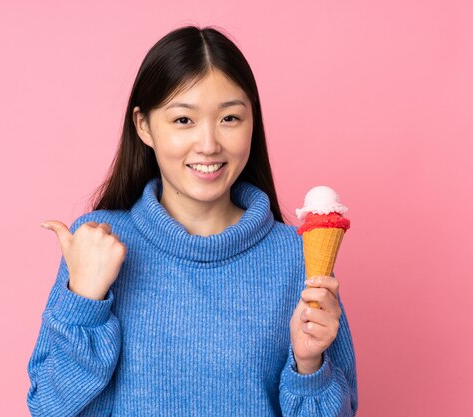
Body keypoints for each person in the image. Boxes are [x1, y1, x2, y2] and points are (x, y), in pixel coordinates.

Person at [26, 25, 358, 417]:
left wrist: (309, 367)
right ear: (144, 126)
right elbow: (48, 406)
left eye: (230, 118)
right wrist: (84, 299)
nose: (208, 144)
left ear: (254, 122)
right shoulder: (97, 243)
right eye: (183, 120)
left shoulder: (296, 258)